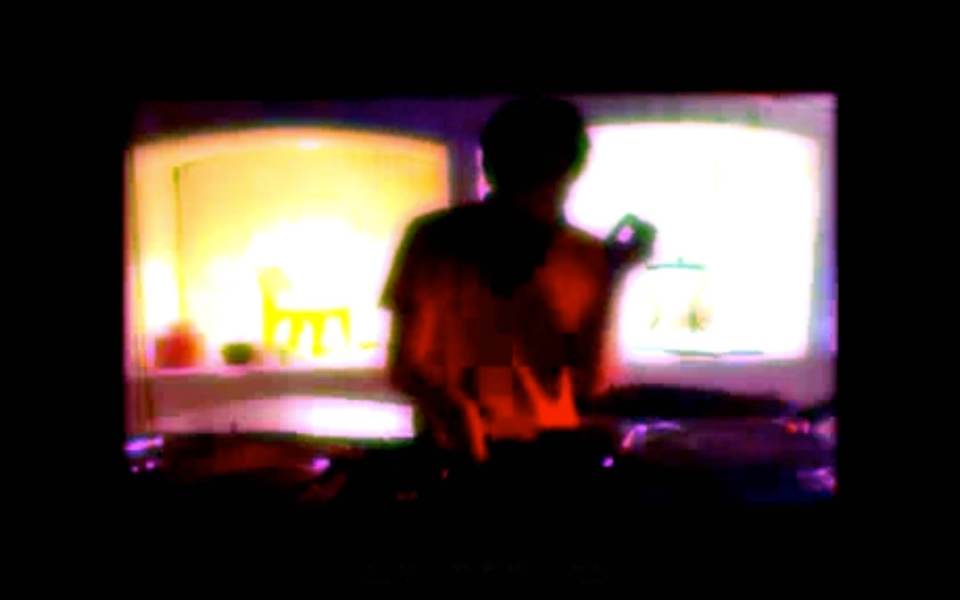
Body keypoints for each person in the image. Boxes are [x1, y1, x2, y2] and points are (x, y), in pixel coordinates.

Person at [380, 96, 651, 466]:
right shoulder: (437, 241)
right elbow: (590, 384)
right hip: (500, 456)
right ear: (573, 167)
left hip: (499, 455)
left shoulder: (434, 237)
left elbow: (407, 367)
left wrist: (614, 276)